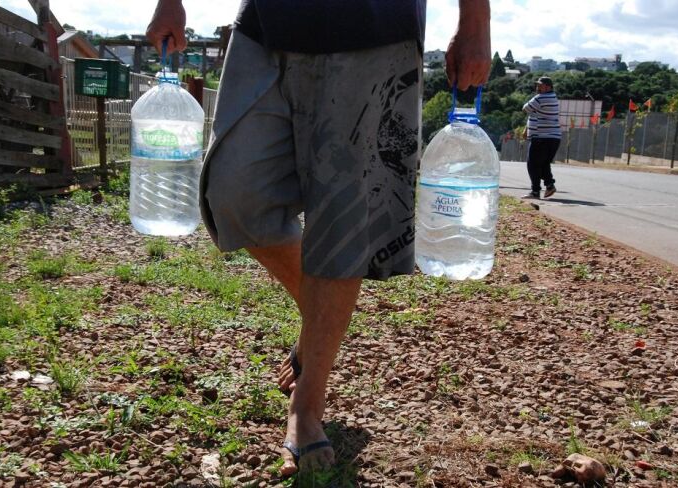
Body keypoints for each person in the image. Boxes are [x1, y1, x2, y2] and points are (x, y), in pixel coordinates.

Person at [147, 0, 491, 476]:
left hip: (376, 28)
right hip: (267, 23)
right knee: (234, 195)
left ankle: (306, 408)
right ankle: (319, 326)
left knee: (344, 221)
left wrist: (475, 21)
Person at [522, 76, 561, 199]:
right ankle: (549, 186)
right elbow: (534, 114)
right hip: (554, 137)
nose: (537, 87)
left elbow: (525, 108)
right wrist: (527, 128)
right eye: (537, 85)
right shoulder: (553, 97)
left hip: (541, 137)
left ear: (548, 87)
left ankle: (535, 191)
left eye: (540, 85)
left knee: (533, 164)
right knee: (543, 164)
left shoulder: (541, 98)